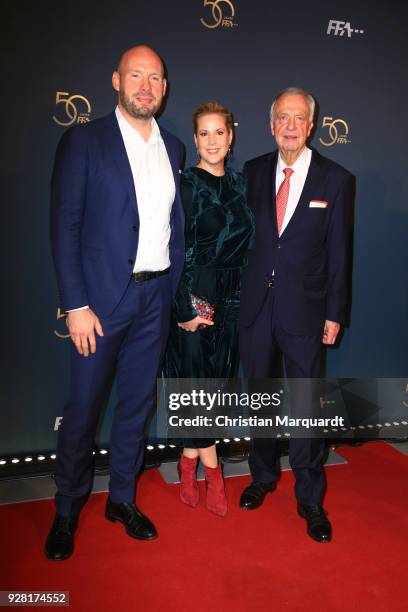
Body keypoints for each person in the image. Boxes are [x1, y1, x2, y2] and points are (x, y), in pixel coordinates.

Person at [46, 45, 185, 560]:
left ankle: (121, 499)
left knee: (136, 405)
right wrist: (75, 304)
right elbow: (65, 225)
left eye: (154, 77)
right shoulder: (83, 140)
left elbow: (173, 226)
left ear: (164, 88)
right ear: (116, 81)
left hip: (156, 297)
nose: (145, 86)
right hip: (100, 304)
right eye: (135, 76)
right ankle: (66, 508)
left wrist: (171, 292)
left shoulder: (173, 148)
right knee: (83, 408)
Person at [239, 88, 353, 542]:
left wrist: (335, 312)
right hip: (255, 308)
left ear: (311, 125)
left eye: (298, 118)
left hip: (306, 311)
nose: (290, 124)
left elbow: (341, 253)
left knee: (306, 405)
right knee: (260, 399)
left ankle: (310, 498)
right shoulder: (250, 171)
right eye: (282, 117)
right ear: (271, 125)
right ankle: (263, 476)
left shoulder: (337, 179)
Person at [163, 102, 254, 516]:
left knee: (216, 385)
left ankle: (187, 459)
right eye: (204, 134)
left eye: (220, 132)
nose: (213, 141)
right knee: (195, 384)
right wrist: (184, 305)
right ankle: (212, 472)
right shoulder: (185, 184)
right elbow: (174, 248)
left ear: (230, 136)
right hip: (196, 290)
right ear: (195, 139)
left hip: (234, 294)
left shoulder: (241, 183)